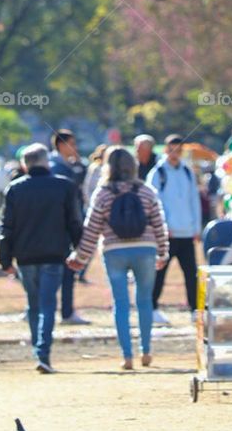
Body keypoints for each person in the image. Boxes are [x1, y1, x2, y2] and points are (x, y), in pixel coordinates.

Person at [68, 145, 168, 370]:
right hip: (146, 249)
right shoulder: (146, 191)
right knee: (144, 301)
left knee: (120, 303)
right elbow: (159, 224)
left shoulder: (103, 193)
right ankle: (147, 350)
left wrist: (80, 257)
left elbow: (92, 229)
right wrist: (163, 252)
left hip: (114, 251)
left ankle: (127, 356)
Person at [0, 142, 84, 373]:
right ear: (47, 162)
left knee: (33, 305)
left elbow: (6, 228)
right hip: (54, 254)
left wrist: (5, 260)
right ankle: (43, 351)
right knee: (48, 305)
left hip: (25, 256)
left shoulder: (15, 189)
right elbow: (74, 222)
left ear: (25, 165)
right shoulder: (64, 186)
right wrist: (80, 251)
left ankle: (38, 349)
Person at [149, 134, 203, 324]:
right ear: (165, 149)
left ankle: (195, 309)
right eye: (171, 149)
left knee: (191, 273)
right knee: (159, 272)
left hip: (186, 232)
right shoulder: (158, 173)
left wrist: (196, 227)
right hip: (167, 234)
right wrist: (162, 227)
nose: (175, 153)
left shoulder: (187, 172)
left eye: (178, 150)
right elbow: (153, 203)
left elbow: (193, 201)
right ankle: (152, 307)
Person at [49, 129, 89, 325]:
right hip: (62, 226)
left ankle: (64, 309)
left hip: (62, 225)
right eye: (72, 143)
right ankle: (65, 310)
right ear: (61, 144)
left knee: (63, 270)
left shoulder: (66, 165)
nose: (75, 148)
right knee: (63, 269)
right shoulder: (57, 167)